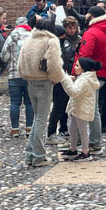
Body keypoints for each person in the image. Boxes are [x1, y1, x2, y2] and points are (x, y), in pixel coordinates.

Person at [17, 15, 66, 167]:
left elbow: (20, 62)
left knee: (37, 118)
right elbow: (55, 64)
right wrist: (57, 78)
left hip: (30, 81)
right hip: (44, 82)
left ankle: (30, 154)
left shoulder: (29, 40)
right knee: (40, 120)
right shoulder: (51, 41)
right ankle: (39, 156)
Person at [77, 6, 106, 151]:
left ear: (92, 16)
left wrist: (78, 71)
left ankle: (92, 140)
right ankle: (92, 139)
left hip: (89, 74)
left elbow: (84, 56)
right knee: (93, 108)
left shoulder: (91, 33)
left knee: (88, 109)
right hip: (103, 73)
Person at [60, 57, 102, 162]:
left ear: (84, 68)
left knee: (82, 130)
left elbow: (74, 91)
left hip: (82, 108)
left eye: (77, 65)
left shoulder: (84, 79)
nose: (75, 67)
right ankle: (73, 149)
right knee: (72, 128)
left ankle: (85, 152)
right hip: (78, 108)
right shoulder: (83, 78)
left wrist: (65, 80)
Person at [48, 16, 81, 142]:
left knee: (69, 105)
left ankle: (64, 128)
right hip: (62, 76)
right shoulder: (60, 40)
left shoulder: (80, 40)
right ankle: (52, 131)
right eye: (69, 28)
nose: (72, 30)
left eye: (74, 28)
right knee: (59, 106)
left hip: (75, 75)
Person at [1, 15, 34, 136]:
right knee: (29, 103)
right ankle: (29, 128)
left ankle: (14, 129)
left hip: (14, 75)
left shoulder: (11, 38)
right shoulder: (33, 37)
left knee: (15, 103)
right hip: (29, 75)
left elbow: (4, 56)